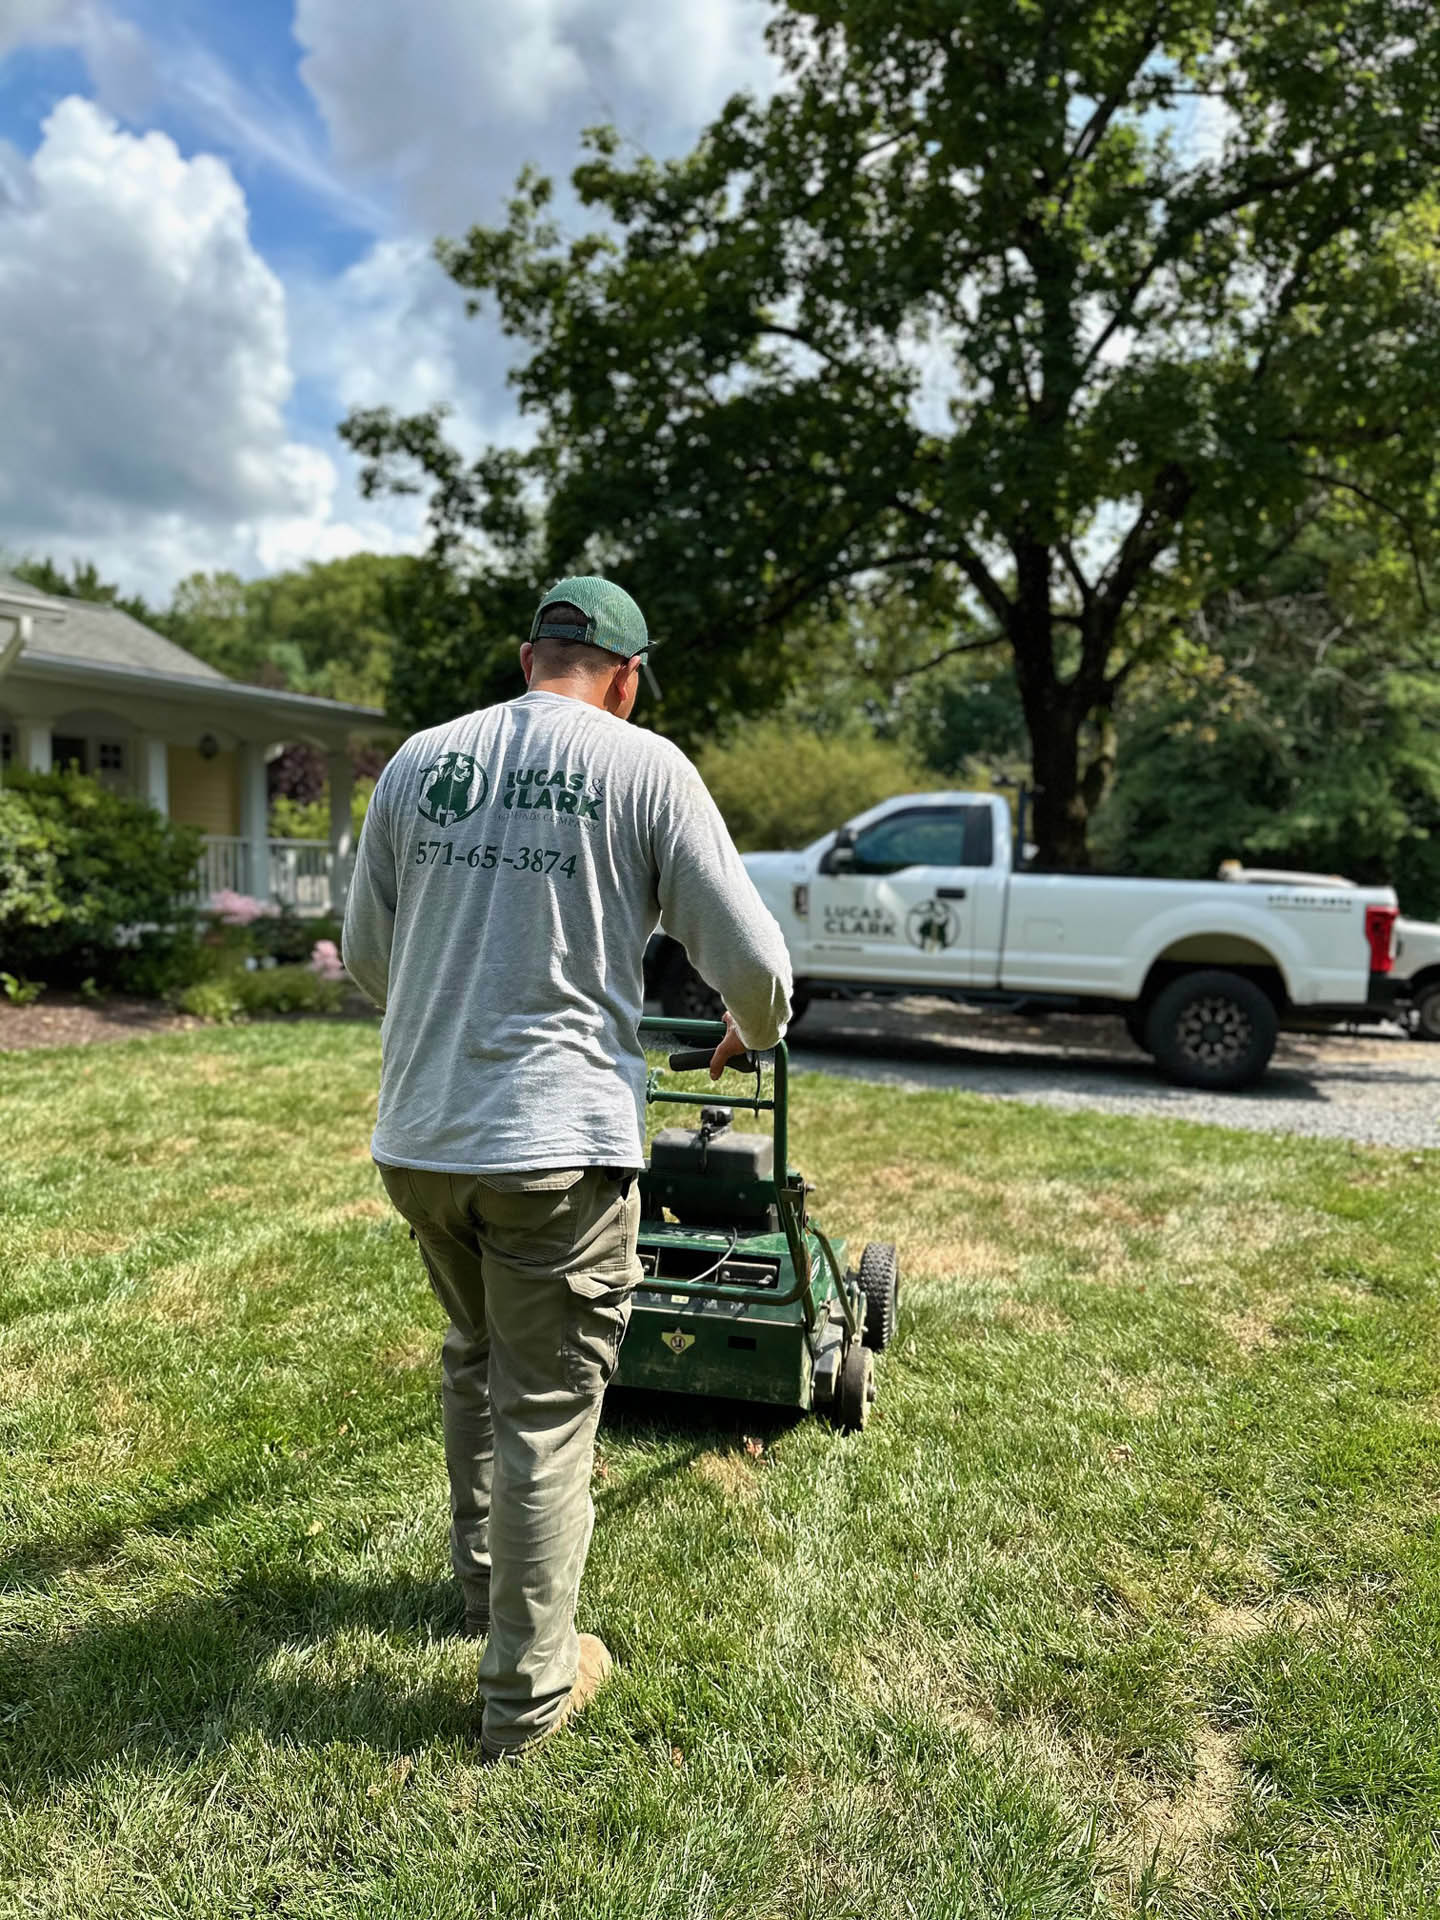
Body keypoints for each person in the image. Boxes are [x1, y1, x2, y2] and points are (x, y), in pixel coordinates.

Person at [341, 576, 792, 1762]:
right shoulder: (645, 767)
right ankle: (528, 1692)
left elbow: (365, 954)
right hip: (553, 1148)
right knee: (547, 1411)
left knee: (476, 1358)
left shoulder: (421, 762)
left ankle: (483, 1582)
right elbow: (754, 961)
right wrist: (761, 1022)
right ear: (627, 679)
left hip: (422, 1140)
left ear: (527, 656)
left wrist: (447, 1019)